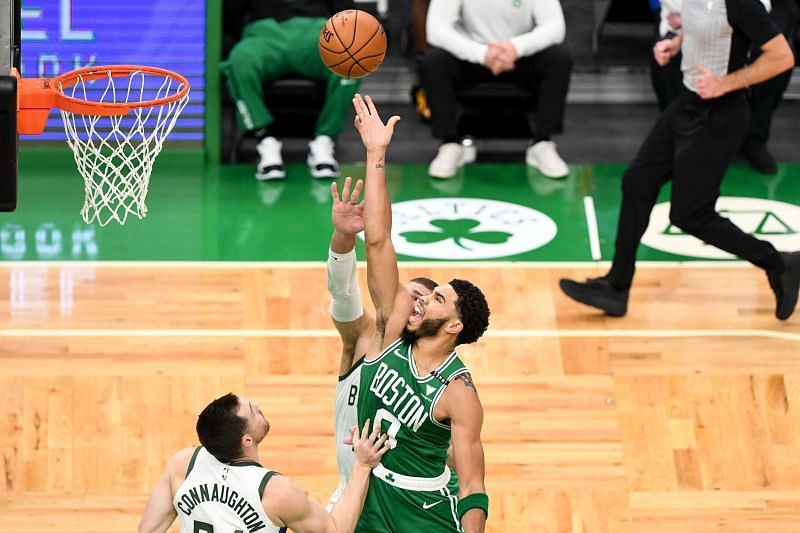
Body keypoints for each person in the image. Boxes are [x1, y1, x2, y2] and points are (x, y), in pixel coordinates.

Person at [560, 0, 800, 321]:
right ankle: (616, 288)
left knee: (691, 216)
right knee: (637, 182)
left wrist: (726, 82)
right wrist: (675, 45)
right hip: (687, 104)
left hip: (719, 116)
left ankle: (780, 263)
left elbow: (783, 57)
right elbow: (703, 28)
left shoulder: (742, 4)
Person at [351, 93, 491, 532]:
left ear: (454, 325)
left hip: (424, 510)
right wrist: (376, 154)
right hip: (368, 488)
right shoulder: (394, 331)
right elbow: (378, 241)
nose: (422, 299)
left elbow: (472, 484)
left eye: (437, 299)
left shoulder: (458, 391)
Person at [324, 175, 441, 510]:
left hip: (408, 509)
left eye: (428, 302)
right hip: (349, 502)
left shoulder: (438, 371)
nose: (417, 304)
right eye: (413, 296)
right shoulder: (364, 338)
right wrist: (344, 236)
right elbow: (342, 292)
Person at [138, 393, 389, 533]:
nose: (258, 406)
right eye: (253, 411)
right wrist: (362, 465)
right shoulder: (276, 492)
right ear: (247, 440)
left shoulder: (183, 464)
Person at [421, 0, 573, 179]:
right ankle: (450, 144)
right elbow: (436, 29)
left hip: (518, 57)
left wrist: (516, 48)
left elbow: (555, 26)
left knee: (558, 59)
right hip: (472, 56)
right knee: (434, 61)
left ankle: (542, 142)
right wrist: (481, 54)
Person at [222, 0, 360, 181]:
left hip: (314, 33)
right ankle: (265, 139)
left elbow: (347, 14)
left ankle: (324, 140)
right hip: (264, 34)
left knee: (351, 59)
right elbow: (231, 16)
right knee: (239, 62)